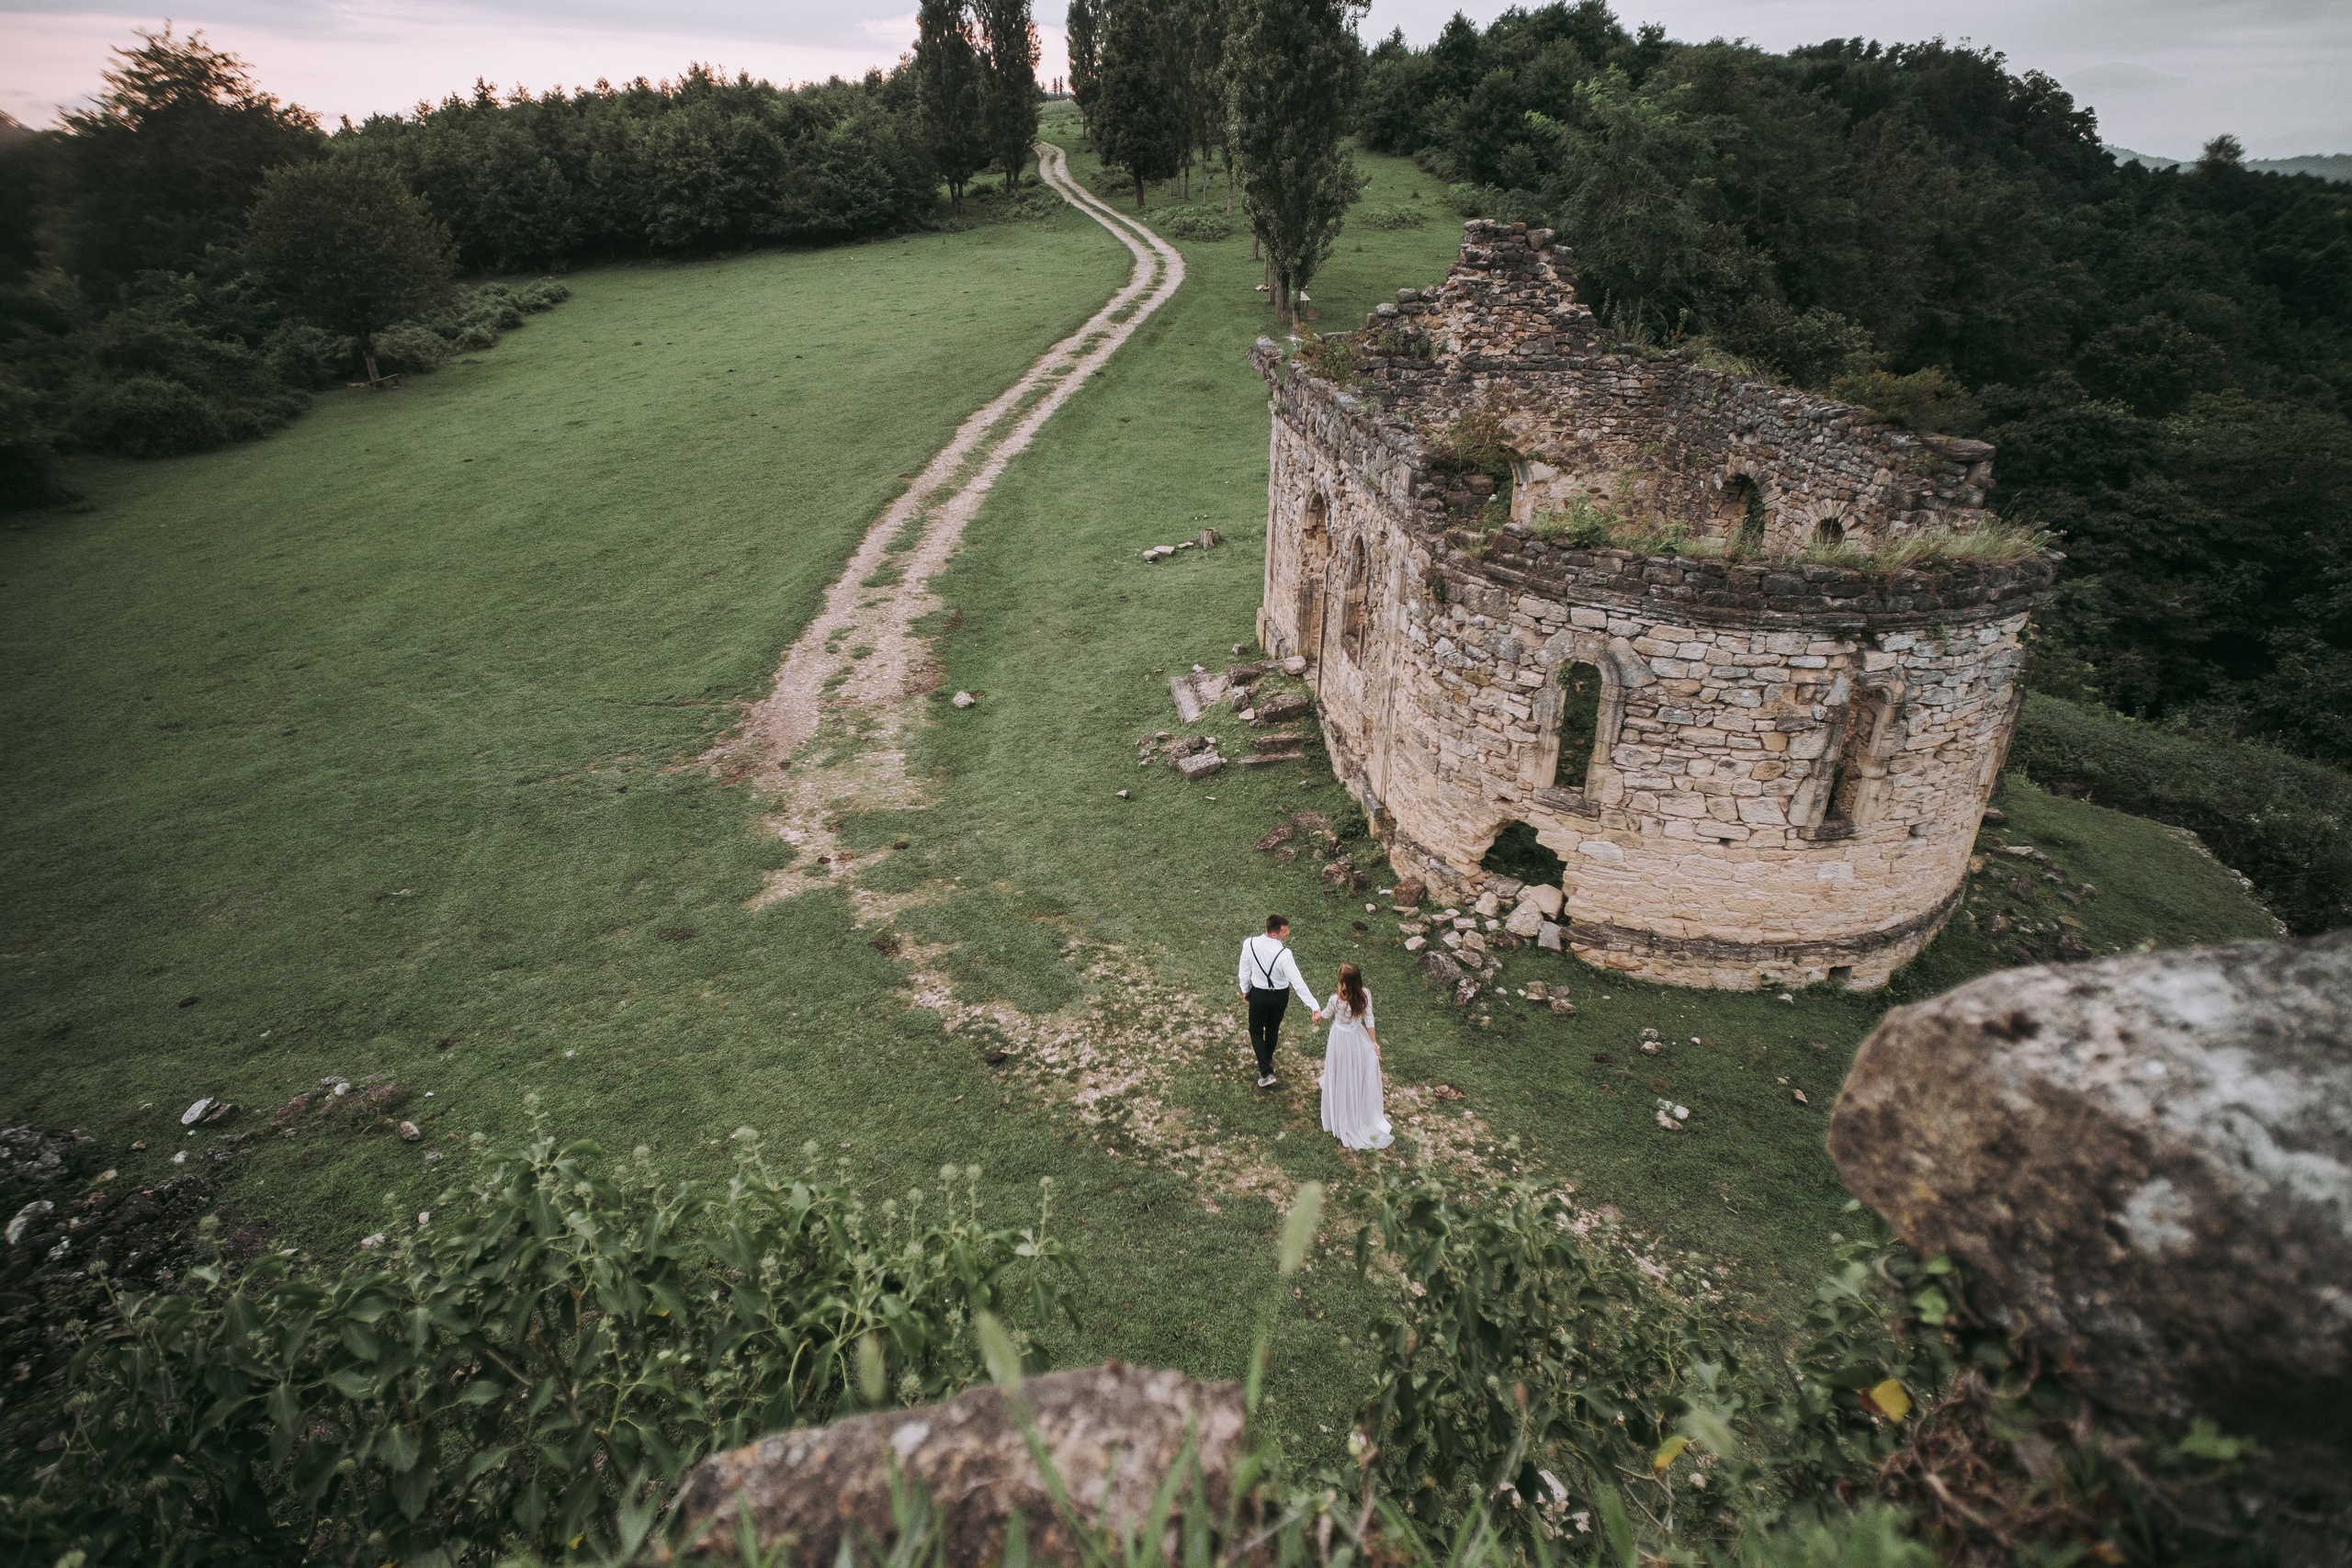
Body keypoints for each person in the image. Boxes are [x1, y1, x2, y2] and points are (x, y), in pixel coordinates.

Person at [1238, 914, 1319, 1088]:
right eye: (1285, 931)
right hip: (1280, 997)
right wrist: (1314, 1006)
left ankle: (1266, 1070)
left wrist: (1245, 990)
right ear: (1274, 933)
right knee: (1272, 1029)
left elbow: (1244, 971)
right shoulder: (1285, 954)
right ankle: (1267, 1064)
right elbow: (1298, 982)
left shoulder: (1249, 944)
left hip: (1259, 995)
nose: (1288, 933)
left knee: (1256, 1030)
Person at [1317, 962, 1392, 1149]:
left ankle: (1342, 1101)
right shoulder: (1365, 994)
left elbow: (1326, 1014)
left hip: (1340, 1037)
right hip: (1357, 1035)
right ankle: (1355, 1095)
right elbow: (1369, 1018)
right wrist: (1373, 1042)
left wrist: (1317, 1015)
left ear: (1342, 981)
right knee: (1355, 1065)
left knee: (1340, 1067)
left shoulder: (1336, 1000)